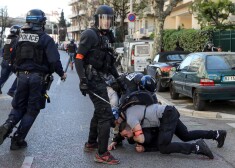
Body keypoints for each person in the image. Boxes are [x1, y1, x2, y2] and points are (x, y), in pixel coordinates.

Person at [0, 9, 66, 150]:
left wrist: (19, 72)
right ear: (41, 22)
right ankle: (18, 140)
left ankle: (8, 125)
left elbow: (11, 59)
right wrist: (62, 74)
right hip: (38, 79)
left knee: (18, 106)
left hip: (21, 77)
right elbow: (54, 61)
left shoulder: (20, 38)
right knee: (32, 109)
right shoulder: (46, 39)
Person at [74, 5, 120, 165]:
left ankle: (91, 143)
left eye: (109, 19)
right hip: (92, 80)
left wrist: (118, 78)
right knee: (106, 114)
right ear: (97, 20)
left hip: (101, 78)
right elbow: (78, 58)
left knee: (100, 110)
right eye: (103, 18)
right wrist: (82, 80)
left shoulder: (107, 37)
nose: (106, 22)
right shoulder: (90, 34)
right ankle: (102, 153)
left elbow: (110, 62)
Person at [114, 104, 227, 159]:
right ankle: (217, 134)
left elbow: (141, 139)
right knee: (185, 135)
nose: (126, 137)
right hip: (169, 111)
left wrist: (136, 139)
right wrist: (115, 140)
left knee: (164, 147)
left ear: (130, 127)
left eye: (125, 135)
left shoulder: (131, 119)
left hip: (166, 116)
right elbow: (122, 129)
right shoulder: (128, 114)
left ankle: (197, 148)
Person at [0, 25, 21, 95]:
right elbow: (15, 51)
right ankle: (12, 90)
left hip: (4, 61)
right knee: (21, 76)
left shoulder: (8, 39)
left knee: (3, 78)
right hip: (11, 62)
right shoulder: (16, 39)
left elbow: (3, 50)